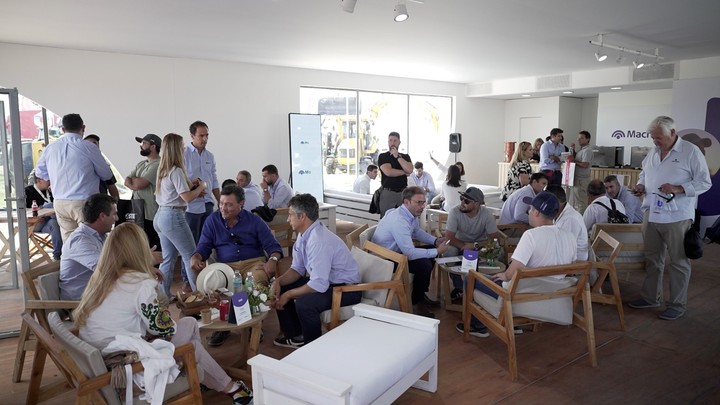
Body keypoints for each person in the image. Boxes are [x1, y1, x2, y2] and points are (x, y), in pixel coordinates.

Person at [73, 223, 253, 405]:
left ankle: (203, 375)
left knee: (190, 323)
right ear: (140, 250)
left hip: (104, 357)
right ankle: (233, 390)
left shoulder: (102, 278)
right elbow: (162, 328)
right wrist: (158, 297)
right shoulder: (140, 284)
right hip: (126, 368)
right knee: (193, 348)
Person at [457, 191, 577, 337]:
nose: (528, 212)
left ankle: (478, 327)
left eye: (531, 209)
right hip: (553, 296)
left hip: (520, 297)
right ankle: (515, 325)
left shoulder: (531, 235)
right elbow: (570, 268)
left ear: (537, 213)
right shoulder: (570, 236)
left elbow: (509, 275)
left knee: (470, 278)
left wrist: (503, 275)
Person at [628, 115, 711, 320]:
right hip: (652, 213)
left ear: (673, 133)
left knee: (679, 262)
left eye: (659, 138)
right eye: (653, 138)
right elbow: (644, 175)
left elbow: (705, 182)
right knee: (652, 260)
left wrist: (678, 188)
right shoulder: (653, 152)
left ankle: (677, 304)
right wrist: (640, 187)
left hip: (677, 216)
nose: (655, 141)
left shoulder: (690, 152)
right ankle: (650, 298)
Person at [191, 185, 284, 346]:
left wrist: (273, 260)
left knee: (256, 279)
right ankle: (223, 327)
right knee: (216, 284)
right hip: (226, 266)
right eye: (221, 203)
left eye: (229, 204)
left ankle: (254, 325)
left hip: (253, 262)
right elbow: (203, 246)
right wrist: (196, 257)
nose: (223, 208)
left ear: (241, 203)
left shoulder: (254, 220)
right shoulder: (212, 220)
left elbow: (273, 246)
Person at [270, 194, 361, 347]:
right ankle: (296, 335)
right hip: (328, 282)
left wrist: (289, 295)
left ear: (302, 216)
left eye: (290, 215)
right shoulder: (304, 234)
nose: (287, 219)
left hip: (347, 289)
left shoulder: (319, 240)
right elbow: (297, 269)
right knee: (283, 287)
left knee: (305, 303)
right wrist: (279, 282)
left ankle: (313, 346)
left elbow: (319, 284)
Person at [34, 113, 113, 241]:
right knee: (92, 240)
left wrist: (56, 175)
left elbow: (40, 173)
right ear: (83, 128)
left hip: (60, 201)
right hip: (85, 202)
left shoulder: (50, 148)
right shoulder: (89, 147)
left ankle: (70, 261)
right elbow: (106, 174)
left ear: (63, 129)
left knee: (70, 242)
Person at [372, 186, 449, 318]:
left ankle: (420, 295)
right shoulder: (399, 220)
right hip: (384, 259)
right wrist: (436, 250)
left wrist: (435, 241)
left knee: (430, 258)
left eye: (423, 202)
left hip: (396, 253)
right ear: (406, 202)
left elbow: (416, 232)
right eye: (418, 202)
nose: (422, 206)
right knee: (424, 264)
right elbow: (409, 253)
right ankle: (415, 303)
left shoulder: (409, 214)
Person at [154, 133, 207, 296]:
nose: (185, 148)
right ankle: (199, 296)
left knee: (168, 259)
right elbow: (187, 197)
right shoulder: (176, 171)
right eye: (182, 145)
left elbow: (176, 190)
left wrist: (191, 184)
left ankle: (164, 296)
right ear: (177, 149)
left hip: (161, 216)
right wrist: (201, 186)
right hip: (173, 217)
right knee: (191, 257)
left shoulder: (163, 169)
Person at [444, 187, 501, 301]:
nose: (462, 203)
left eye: (466, 201)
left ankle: (488, 284)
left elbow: (494, 238)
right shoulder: (455, 212)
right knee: (449, 251)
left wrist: (474, 245)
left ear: (477, 204)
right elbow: (449, 238)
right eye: (461, 199)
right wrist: (464, 247)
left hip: (479, 245)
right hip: (458, 243)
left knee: (498, 250)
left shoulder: (486, 214)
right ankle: (459, 287)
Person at [59, 194, 118, 300]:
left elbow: (117, 258)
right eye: (114, 214)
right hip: (80, 304)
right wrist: (144, 261)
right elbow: (106, 268)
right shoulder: (80, 241)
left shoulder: (100, 235)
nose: (116, 219)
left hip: (96, 296)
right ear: (102, 216)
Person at [184, 120, 221, 244]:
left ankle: (204, 264)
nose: (205, 139)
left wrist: (220, 201)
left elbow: (214, 179)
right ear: (192, 136)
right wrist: (193, 189)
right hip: (191, 206)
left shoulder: (210, 156)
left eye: (207, 135)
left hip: (208, 204)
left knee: (206, 242)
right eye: (201, 135)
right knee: (191, 244)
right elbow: (179, 179)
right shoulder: (183, 154)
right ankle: (189, 264)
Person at [124, 133, 162, 250]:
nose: (141, 146)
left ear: (153, 146)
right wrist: (134, 182)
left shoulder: (158, 164)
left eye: (144, 143)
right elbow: (126, 180)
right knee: (140, 245)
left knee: (153, 245)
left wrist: (134, 182)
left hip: (151, 214)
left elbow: (140, 184)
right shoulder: (141, 164)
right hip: (138, 212)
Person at [25, 173, 63, 260]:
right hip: (35, 223)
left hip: (49, 221)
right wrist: (40, 211)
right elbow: (23, 210)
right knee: (50, 205)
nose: (50, 181)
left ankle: (58, 255)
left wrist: (53, 191)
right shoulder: (28, 191)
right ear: (39, 180)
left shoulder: (50, 191)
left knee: (54, 223)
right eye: (48, 179)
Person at [546, 184, 588, 261]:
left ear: (556, 202)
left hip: (575, 263)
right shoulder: (559, 213)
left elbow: (566, 250)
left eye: (547, 202)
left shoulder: (570, 219)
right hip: (564, 257)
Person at [377, 132, 413, 216]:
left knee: (404, 218)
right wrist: (404, 171)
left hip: (403, 193)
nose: (392, 143)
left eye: (395, 140)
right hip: (388, 193)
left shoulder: (405, 156)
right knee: (386, 218)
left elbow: (410, 169)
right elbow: (388, 172)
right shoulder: (383, 156)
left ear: (399, 142)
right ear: (388, 142)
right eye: (390, 140)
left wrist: (397, 156)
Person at [83, 134, 120, 198]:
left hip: (101, 202)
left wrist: (117, 204)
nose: (92, 145)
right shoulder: (77, 165)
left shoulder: (104, 165)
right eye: (89, 143)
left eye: (95, 143)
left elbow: (112, 187)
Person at [569, 131, 594, 213]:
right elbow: (579, 160)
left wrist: (573, 161)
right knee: (576, 202)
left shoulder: (587, 150)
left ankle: (582, 223)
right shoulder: (581, 150)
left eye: (582, 138)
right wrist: (573, 151)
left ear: (588, 139)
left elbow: (585, 164)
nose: (579, 140)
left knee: (581, 204)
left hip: (581, 180)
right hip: (577, 179)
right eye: (578, 138)